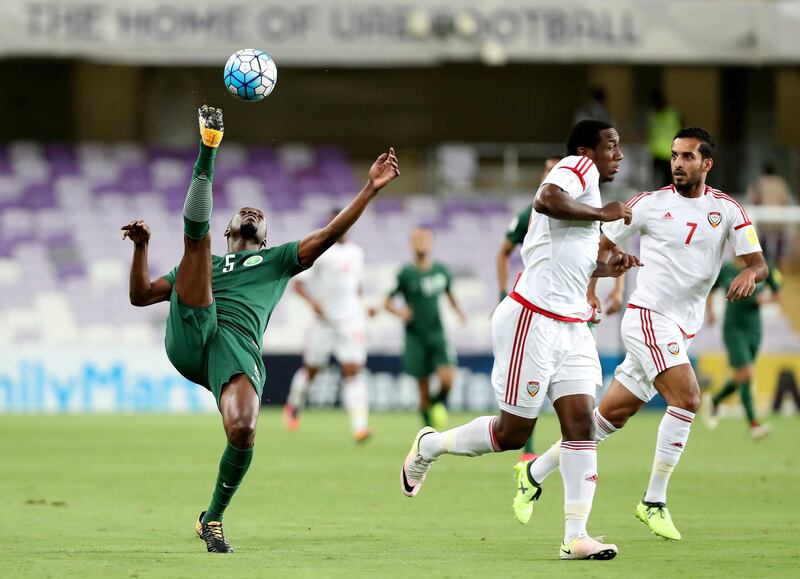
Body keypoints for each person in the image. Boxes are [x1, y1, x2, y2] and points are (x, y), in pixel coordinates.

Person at [123, 105, 399, 553]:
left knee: (244, 428)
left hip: (237, 349)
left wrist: (369, 188)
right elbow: (139, 296)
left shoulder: (277, 261)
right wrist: (142, 248)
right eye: (243, 212)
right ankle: (207, 149)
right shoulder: (203, 264)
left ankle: (211, 519)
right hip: (193, 334)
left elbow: (329, 233)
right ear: (231, 228)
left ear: (265, 237)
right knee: (197, 250)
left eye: (260, 215)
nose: (252, 212)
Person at [400, 119, 639, 561]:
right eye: (612, 146)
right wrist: (604, 214)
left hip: (571, 326)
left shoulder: (590, 198)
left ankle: (575, 536)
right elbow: (545, 199)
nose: (619, 155)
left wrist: (609, 266)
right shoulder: (576, 167)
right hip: (532, 320)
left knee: (581, 426)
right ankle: (428, 445)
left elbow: (570, 262)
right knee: (513, 435)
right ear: (588, 150)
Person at [520, 128, 768, 542]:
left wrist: (749, 272)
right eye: (674, 155)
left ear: (707, 164)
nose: (677, 163)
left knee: (607, 419)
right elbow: (596, 244)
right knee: (687, 398)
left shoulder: (727, 210)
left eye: (688, 157)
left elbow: (759, 262)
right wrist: (593, 290)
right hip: (648, 316)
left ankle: (533, 471)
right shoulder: (649, 206)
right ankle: (653, 500)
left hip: (680, 327)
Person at [283, 211, 375, 442]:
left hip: (350, 321)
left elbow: (357, 286)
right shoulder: (320, 252)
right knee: (312, 370)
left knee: (353, 371)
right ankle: (294, 405)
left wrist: (364, 307)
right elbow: (298, 285)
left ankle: (360, 427)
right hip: (324, 323)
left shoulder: (357, 253)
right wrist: (314, 303)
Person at [385, 227, 466, 430]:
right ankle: (428, 434)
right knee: (422, 389)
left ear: (432, 243)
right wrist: (400, 312)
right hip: (415, 337)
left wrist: (459, 311)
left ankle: (436, 403)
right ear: (411, 244)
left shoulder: (441, 271)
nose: (422, 243)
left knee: (448, 380)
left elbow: (449, 293)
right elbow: (387, 302)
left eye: (425, 239)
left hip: (437, 334)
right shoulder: (406, 274)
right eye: (418, 239)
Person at [703, 257, 782, 439]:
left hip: (754, 329)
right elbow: (711, 291)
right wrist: (711, 313)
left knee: (744, 376)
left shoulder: (763, 267)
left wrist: (765, 300)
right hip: (733, 328)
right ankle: (754, 424)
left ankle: (716, 400)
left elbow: (777, 293)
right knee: (746, 373)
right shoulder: (727, 269)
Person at [647, 89, 682, 188]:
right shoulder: (653, 115)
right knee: (656, 182)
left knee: (668, 182)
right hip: (656, 154)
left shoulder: (673, 114)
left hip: (670, 154)